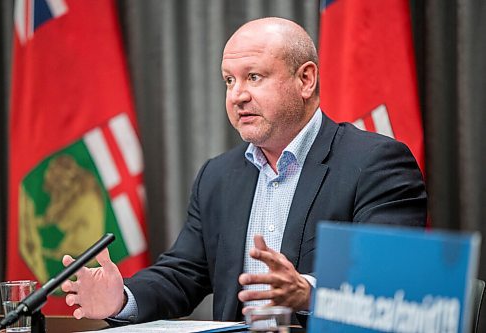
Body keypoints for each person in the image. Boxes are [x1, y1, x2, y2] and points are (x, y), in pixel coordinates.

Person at [61, 17, 427, 326]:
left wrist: (306, 293)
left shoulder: (375, 163)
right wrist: (121, 297)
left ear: (306, 80)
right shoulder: (218, 177)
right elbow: (181, 275)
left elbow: (386, 286)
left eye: (254, 77)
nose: (237, 95)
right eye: (229, 80)